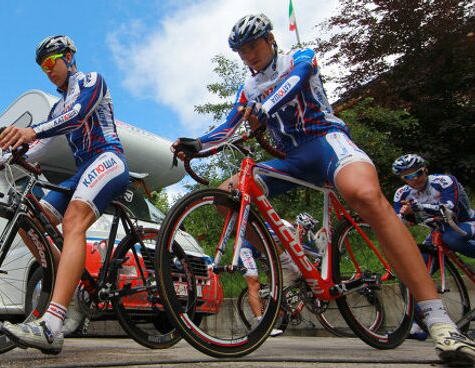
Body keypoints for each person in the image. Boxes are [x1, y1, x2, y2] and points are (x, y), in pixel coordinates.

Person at [172, 14, 475, 364]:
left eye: (252, 46)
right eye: (241, 51)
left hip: (328, 143)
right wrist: (196, 144)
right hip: (293, 160)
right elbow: (228, 126)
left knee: (365, 196)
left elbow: (296, 83)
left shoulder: (300, 57)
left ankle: (439, 320)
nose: (248, 56)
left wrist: (264, 107)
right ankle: (287, 259)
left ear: (270, 39)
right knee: (229, 196)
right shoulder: (248, 88)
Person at [0, 35, 129, 354]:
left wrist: (33, 130)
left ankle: (52, 324)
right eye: (42, 67)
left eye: (50, 63)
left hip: (108, 159)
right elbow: (37, 146)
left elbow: (78, 116)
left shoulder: (91, 80)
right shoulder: (57, 105)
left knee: (73, 222)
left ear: (69, 57)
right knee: (29, 221)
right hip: (82, 171)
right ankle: (68, 290)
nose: (47, 71)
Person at [392, 154, 475, 341]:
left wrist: (418, 207)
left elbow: (449, 208)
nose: (415, 180)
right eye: (408, 177)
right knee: (416, 270)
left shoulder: (443, 181)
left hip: (463, 223)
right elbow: (401, 224)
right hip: (437, 232)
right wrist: (406, 216)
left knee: (452, 237)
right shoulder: (401, 194)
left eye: (418, 173)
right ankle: (421, 325)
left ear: (425, 170)